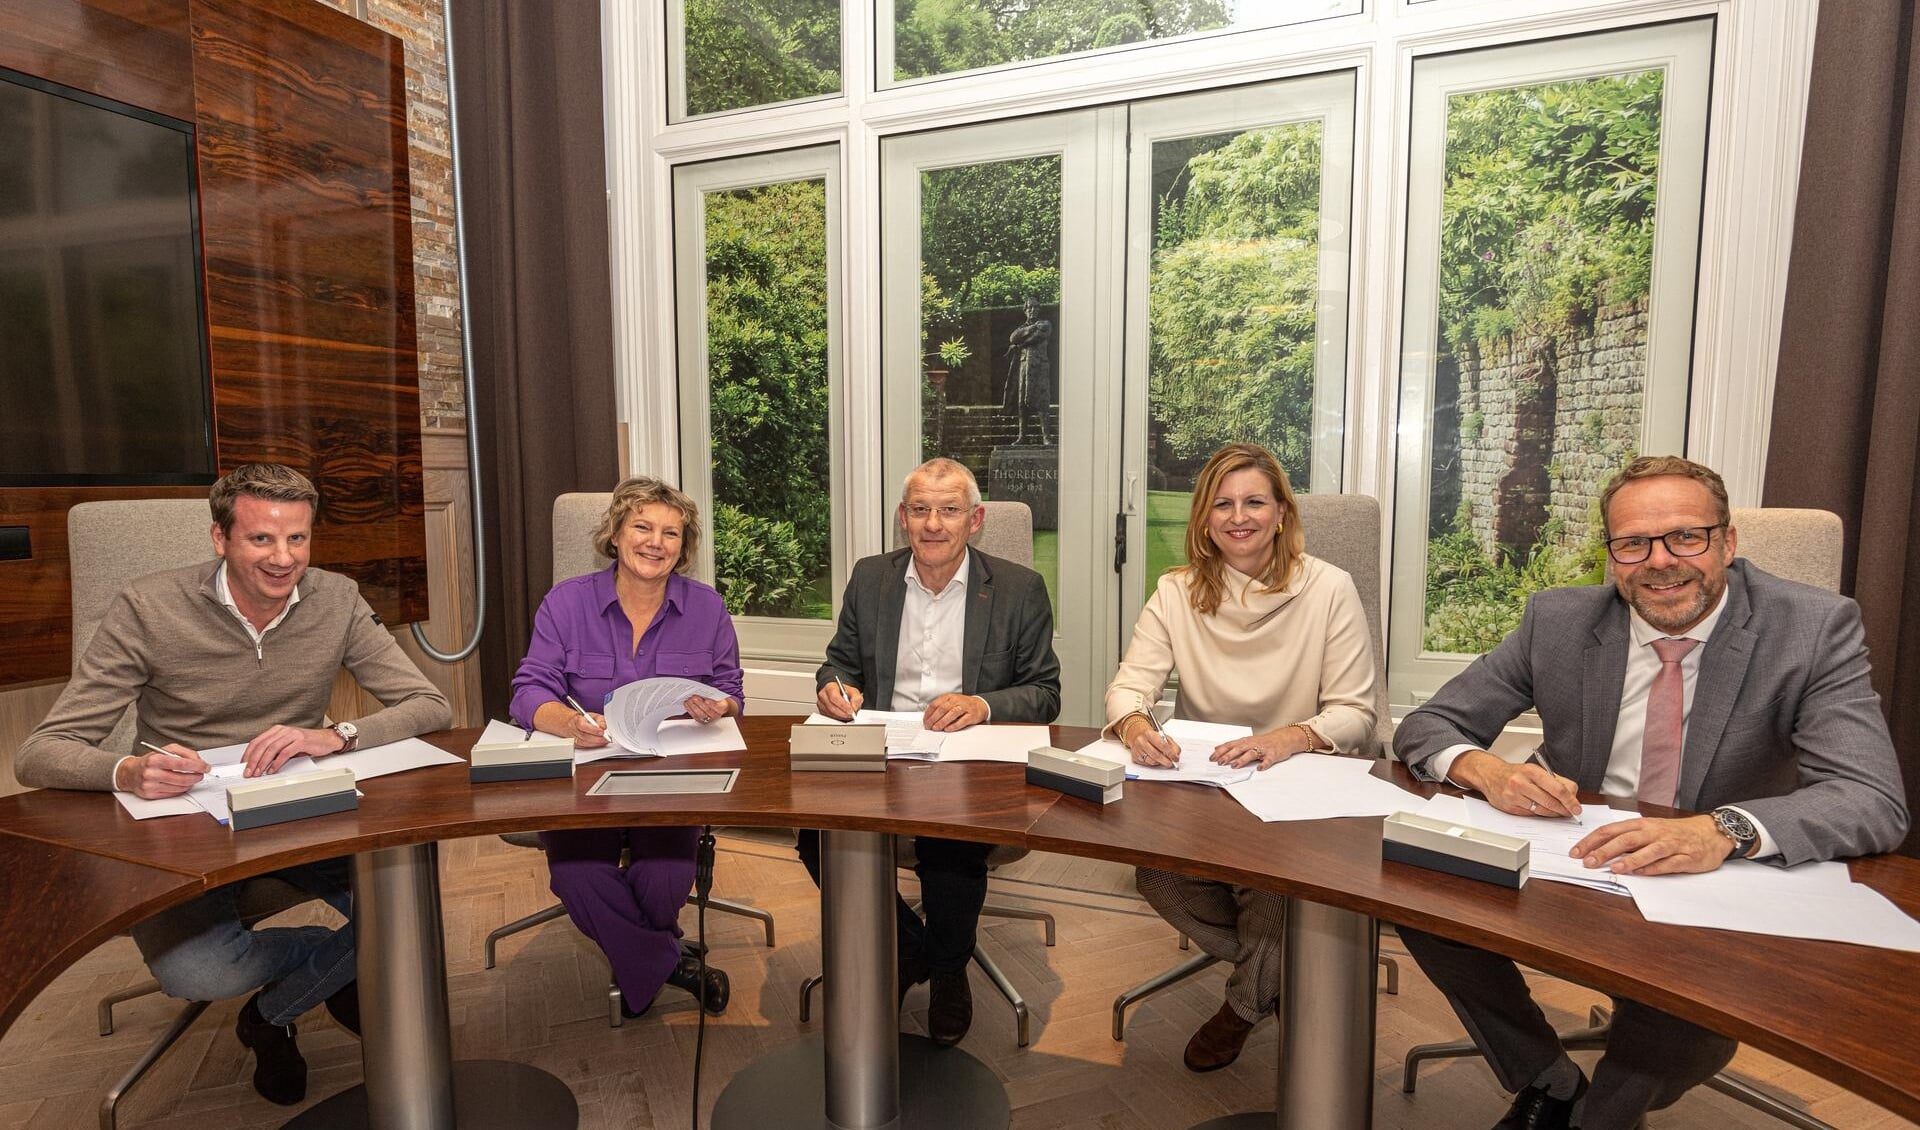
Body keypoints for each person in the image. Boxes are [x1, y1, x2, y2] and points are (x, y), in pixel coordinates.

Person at [1395, 454, 1908, 1130]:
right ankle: (1544, 1076)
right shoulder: (1559, 620)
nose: (1660, 562)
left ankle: (1593, 1122)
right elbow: (1432, 724)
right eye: (1634, 544)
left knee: (1689, 998)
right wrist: (1487, 771)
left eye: (1686, 537)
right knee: (1419, 888)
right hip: (1577, 857)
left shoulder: (1811, 628)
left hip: (1715, 881)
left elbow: (1871, 797)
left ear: (1727, 541)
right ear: (1612, 557)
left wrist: (1719, 831)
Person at [15, 463, 451, 1105]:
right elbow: (40, 753)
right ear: (220, 539)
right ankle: (329, 972)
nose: (284, 559)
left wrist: (336, 736)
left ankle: (270, 1016)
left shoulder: (336, 597)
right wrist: (128, 770)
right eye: (261, 540)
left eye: (297, 540)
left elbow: (428, 703)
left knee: (407, 915)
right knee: (199, 971)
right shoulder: (148, 606)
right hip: (184, 826)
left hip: (298, 807)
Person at [1104, 442, 1378, 1072]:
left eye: (1254, 501)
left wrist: (1286, 738)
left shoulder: (1330, 587)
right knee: (1157, 877)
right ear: (1203, 518)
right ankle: (1289, 969)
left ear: (1282, 512)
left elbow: (1357, 714)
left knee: (1275, 888)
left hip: (1299, 786)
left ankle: (1245, 1005)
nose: (1238, 516)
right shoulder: (1177, 591)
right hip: (1208, 788)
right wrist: (1137, 722)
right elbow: (1126, 687)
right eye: (1221, 504)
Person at [804, 457, 1061, 1045]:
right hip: (884, 748)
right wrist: (833, 685)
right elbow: (838, 660)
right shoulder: (872, 578)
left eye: (949, 510)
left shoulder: (1019, 589)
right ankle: (915, 950)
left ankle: (947, 971)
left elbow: (1045, 693)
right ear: (903, 518)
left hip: (966, 757)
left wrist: (982, 704)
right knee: (816, 835)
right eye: (920, 510)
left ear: (976, 520)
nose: (933, 524)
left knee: (950, 848)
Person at [510, 478, 735, 1021]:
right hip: (584, 776)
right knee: (577, 876)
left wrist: (718, 707)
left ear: (684, 548)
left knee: (665, 879)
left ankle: (637, 958)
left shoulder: (706, 608)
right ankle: (663, 960)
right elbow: (528, 690)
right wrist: (567, 720)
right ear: (614, 533)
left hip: (669, 776)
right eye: (642, 527)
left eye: (671, 533)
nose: (655, 542)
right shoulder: (566, 603)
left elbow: (732, 691)